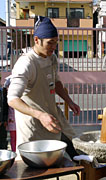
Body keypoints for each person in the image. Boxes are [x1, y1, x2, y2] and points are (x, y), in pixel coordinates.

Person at [7, 16, 80, 159]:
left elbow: (56, 82)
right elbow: (12, 99)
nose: (54, 47)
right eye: (50, 43)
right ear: (36, 40)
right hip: (34, 125)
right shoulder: (26, 64)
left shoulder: (51, 58)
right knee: (37, 165)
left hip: (53, 118)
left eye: (56, 43)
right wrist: (40, 115)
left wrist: (69, 101)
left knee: (76, 150)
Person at [4, 76, 16, 152]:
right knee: (13, 137)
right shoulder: (6, 97)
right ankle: (14, 151)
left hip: (20, 120)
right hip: (11, 120)